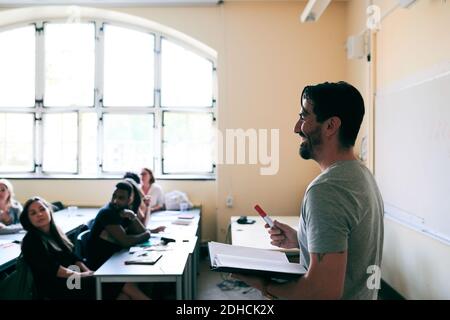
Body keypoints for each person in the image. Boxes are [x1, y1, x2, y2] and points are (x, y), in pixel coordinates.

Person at [234, 81, 384, 300]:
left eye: (304, 116)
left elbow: (321, 292)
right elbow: (352, 251)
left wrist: (264, 285)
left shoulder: (326, 190)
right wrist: (302, 239)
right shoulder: (361, 174)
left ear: (331, 126)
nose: (296, 127)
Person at [86, 181, 161, 300]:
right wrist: (147, 234)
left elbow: (141, 232)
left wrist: (133, 217)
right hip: (100, 265)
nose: (115, 201)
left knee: (128, 293)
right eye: (114, 196)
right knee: (129, 294)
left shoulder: (125, 211)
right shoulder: (107, 213)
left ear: (129, 200)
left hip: (116, 259)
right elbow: (126, 241)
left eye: (121, 198)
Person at [19, 197, 95, 300]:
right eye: (33, 213)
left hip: (71, 279)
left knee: (107, 281)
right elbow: (53, 269)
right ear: (28, 219)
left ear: (49, 211)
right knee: (109, 284)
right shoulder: (31, 240)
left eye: (42, 209)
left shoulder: (55, 232)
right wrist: (81, 275)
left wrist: (88, 271)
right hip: (56, 286)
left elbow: (73, 257)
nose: (39, 214)